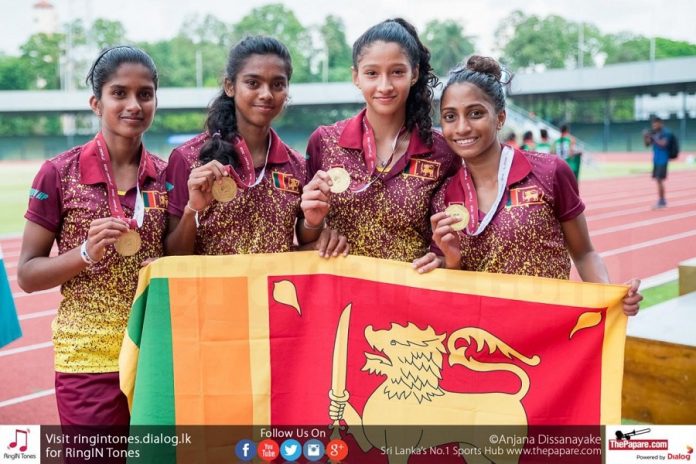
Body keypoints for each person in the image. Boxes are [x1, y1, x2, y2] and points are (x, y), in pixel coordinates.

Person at [413, 56, 641, 316]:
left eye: (476, 113)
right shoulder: (443, 196)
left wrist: (612, 296)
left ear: (500, 118)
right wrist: (452, 260)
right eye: (450, 116)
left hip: (548, 337)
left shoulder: (549, 172)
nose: (462, 127)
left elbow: (584, 253)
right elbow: (456, 287)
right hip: (484, 341)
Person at [17, 46, 167, 426]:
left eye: (145, 94)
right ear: (96, 103)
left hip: (156, 353)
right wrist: (84, 252)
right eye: (119, 93)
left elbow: (181, 254)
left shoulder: (168, 176)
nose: (134, 104)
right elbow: (28, 275)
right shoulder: (58, 173)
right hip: (86, 359)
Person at [165, 36, 347, 257]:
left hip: (274, 292)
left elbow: (302, 240)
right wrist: (192, 209)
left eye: (278, 84)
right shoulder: (188, 158)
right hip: (210, 292)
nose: (266, 94)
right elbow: (172, 257)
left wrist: (314, 224)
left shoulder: (297, 165)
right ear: (230, 86)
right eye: (253, 83)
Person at [301, 18, 458, 263]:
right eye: (372, 73)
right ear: (356, 77)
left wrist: (441, 260)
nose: (384, 86)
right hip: (343, 295)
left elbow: (452, 240)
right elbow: (302, 235)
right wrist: (315, 228)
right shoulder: (324, 141)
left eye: (397, 72)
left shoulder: (442, 152)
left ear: (414, 73)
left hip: (411, 294)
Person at [643, 116, 670, 209]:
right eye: (653, 124)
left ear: (660, 123)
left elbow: (663, 144)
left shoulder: (665, 133)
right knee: (658, 180)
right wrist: (645, 137)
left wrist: (653, 137)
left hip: (663, 159)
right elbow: (647, 144)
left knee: (659, 179)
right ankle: (661, 200)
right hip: (656, 159)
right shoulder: (654, 133)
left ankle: (662, 200)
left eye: (656, 123)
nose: (654, 126)